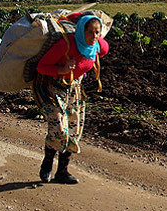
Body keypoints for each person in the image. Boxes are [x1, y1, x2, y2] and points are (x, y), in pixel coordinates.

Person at [32, 14, 109, 184]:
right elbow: (41, 67)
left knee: (74, 130)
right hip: (53, 88)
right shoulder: (65, 45)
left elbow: (105, 49)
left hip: (74, 90)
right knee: (59, 128)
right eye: (90, 32)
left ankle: (62, 171)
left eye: (97, 32)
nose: (94, 36)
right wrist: (62, 70)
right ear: (81, 31)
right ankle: (47, 163)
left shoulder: (97, 45)